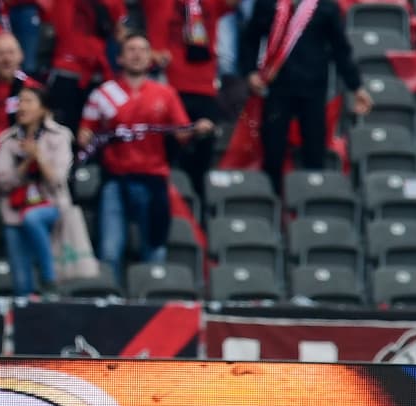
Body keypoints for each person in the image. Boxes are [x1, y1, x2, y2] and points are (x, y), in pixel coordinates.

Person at [77, 33, 212, 279]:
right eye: (131, 49)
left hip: (153, 180)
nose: (137, 54)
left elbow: (182, 133)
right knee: (110, 249)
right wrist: (86, 136)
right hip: (115, 180)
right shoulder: (104, 94)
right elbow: (86, 130)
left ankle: (153, 300)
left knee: (154, 247)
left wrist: (197, 129)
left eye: (143, 50)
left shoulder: (165, 93)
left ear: (151, 58)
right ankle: (109, 302)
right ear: (119, 57)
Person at [239, 0, 372, 195]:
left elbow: (340, 50)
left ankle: (311, 206)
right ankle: (272, 205)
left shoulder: (326, 7)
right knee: (273, 153)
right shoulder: (269, 4)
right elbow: (250, 39)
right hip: (277, 89)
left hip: (313, 90)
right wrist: (250, 72)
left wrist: (357, 87)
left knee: (314, 153)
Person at [0, 85, 95, 298]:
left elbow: (58, 178)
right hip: (15, 210)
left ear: (43, 109)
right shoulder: (8, 139)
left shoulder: (59, 135)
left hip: (51, 205)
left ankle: (49, 278)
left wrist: (38, 155)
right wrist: (25, 163)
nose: (22, 106)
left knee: (32, 218)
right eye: (19, 101)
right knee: (21, 285)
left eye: (28, 101)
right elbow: (3, 182)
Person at [145, 0, 238, 209]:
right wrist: (156, 53)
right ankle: (167, 208)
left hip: (205, 88)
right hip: (172, 87)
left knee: (202, 159)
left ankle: (196, 215)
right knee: (168, 157)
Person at [46, 0, 127, 129]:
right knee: (62, 130)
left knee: (95, 133)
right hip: (67, 72)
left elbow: (119, 29)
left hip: (97, 72)